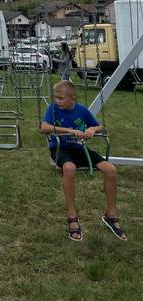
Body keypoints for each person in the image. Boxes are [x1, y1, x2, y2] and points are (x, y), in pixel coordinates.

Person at [40, 80, 126, 242]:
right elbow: (43, 127)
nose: (57, 101)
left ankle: (111, 215)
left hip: (79, 149)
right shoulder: (52, 109)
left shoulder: (82, 111)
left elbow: (100, 127)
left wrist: (91, 129)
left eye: (60, 98)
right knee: (69, 168)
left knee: (111, 170)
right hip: (60, 148)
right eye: (55, 97)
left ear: (72, 98)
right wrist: (70, 131)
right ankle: (72, 215)